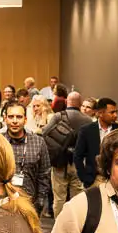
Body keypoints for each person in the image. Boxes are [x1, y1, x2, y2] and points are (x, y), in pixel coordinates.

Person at [42, 90, 91, 218]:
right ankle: (75, 225)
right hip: (79, 163)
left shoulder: (58, 116)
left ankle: (59, 224)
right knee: (78, 197)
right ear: (80, 104)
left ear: (66, 102)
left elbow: (45, 133)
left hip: (60, 162)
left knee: (59, 197)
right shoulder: (88, 120)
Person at [1, 102, 51, 214]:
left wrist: (40, 201)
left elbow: (44, 173)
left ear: (25, 120)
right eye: (11, 117)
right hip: (3, 203)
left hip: (30, 203)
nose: (14, 121)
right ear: (5, 119)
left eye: (19, 117)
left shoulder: (38, 142)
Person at [73, 96, 118, 188]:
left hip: (115, 178)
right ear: (100, 113)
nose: (115, 115)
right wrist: (84, 178)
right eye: (112, 112)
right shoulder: (86, 130)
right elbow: (78, 156)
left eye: (116, 112)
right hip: (94, 179)